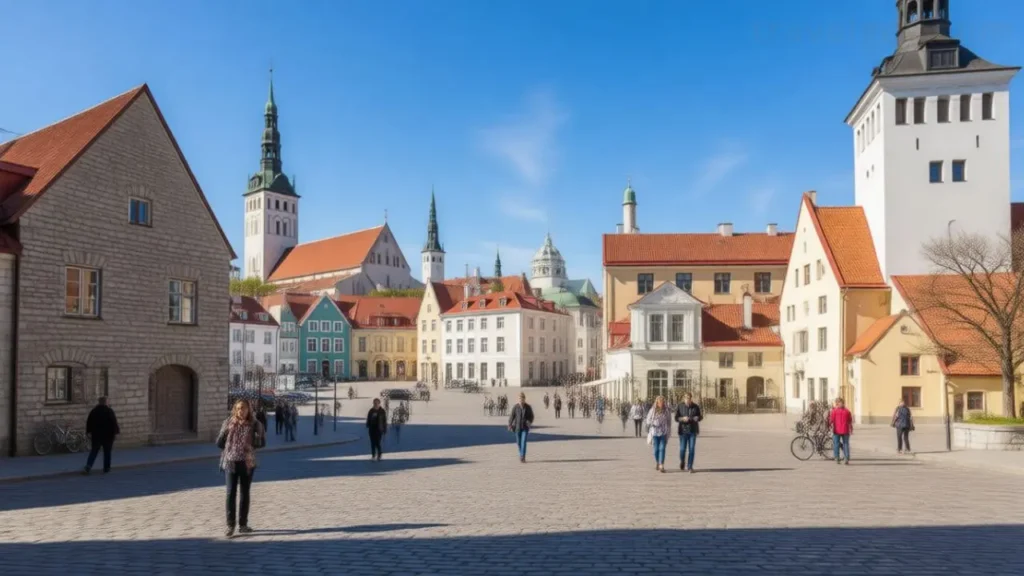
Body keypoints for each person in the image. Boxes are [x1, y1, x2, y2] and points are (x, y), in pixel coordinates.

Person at [217, 400, 265, 537]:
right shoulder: (228, 423)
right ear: (235, 410)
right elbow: (219, 443)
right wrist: (226, 434)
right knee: (230, 493)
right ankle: (230, 525)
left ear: (249, 410)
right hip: (231, 461)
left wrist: (254, 439)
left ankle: (243, 524)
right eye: (238, 408)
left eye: (243, 408)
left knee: (245, 492)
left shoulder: (255, 424)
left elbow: (262, 443)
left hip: (247, 462)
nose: (241, 411)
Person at [83, 396, 119, 475]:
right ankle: (106, 468)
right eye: (108, 401)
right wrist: (116, 433)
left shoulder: (94, 411)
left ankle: (88, 466)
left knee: (94, 451)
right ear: (106, 402)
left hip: (96, 435)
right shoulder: (109, 411)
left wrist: (88, 432)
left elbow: (89, 422)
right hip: (108, 435)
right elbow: (113, 423)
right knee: (107, 452)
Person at [675, 393, 703, 473]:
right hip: (683, 431)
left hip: (692, 430)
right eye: (686, 398)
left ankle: (690, 466)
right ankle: (682, 461)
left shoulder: (695, 406)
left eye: (689, 398)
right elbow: (676, 418)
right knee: (682, 449)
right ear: (684, 398)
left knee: (691, 449)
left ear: (691, 398)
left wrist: (697, 418)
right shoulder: (680, 406)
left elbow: (700, 416)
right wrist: (682, 419)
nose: (687, 399)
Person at [645, 396, 672, 473]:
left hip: (663, 432)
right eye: (659, 402)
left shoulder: (666, 411)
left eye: (662, 402)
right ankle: (658, 461)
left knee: (662, 448)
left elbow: (669, 421)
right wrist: (652, 423)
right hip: (655, 432)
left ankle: (661, 465)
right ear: (656, 402)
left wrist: (669, 431)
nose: (661, 403)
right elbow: (648, 420)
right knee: (656, 450)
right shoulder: (652, 410)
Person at [508, 392, 535, 463]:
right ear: (518, 399)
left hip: (525, 428)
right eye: (520, 398)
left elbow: (531, 416)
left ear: (524, 399)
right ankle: (521, 454)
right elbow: (512, 416)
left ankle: (522, 456)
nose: (521, 400)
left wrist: (529, 421)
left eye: (522, 398)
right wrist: (510, 425)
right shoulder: (515, 407)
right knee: (519, 443)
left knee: (523, 442)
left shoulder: (528, 407)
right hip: (517, 428)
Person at [828, 397, 853, 465]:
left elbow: (831, 420)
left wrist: (828, 426)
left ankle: (837, 458)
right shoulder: (847, 411)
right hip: (844, 430)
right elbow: (850, 421)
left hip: (837, 430)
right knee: (845, 444)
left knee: (837, 444)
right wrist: (851, 428)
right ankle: (846, 458)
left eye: (839, 402)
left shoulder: (835, 411)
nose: (839, 404)